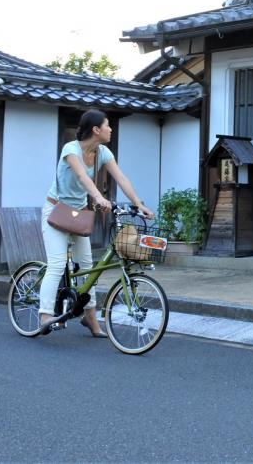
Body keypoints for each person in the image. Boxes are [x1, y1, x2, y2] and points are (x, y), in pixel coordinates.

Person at [39, 109, 155, 337]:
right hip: (56, 211)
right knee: (56, 264)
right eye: (107, 125)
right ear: (96, 130)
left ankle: (90, 318)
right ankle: (44, 315)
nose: (110, 129)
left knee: (88, 268)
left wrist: (138, 204)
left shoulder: (102, 152)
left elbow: (121, 177)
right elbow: (82, 176)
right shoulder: (71, 149)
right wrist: (99, 198)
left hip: (79, 214)